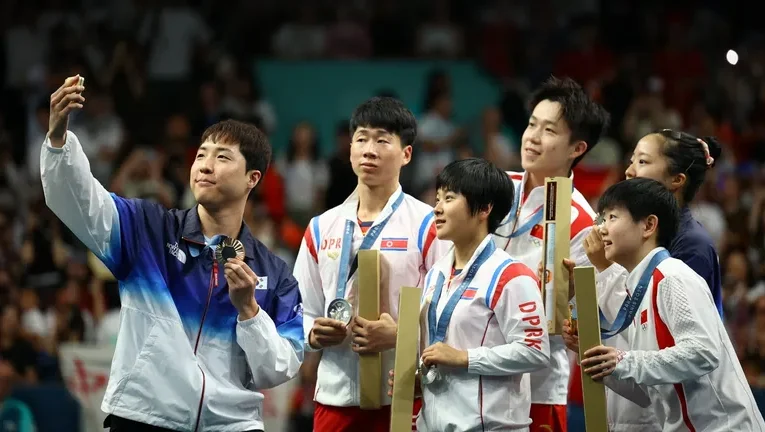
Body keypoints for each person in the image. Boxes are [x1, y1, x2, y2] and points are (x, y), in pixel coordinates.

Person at [41, 76, 303, 432]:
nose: (205, 165)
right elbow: (81, 202)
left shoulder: (275, 273)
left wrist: (250, 312)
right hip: (145, 417)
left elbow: (278, 369)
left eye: (222, 157)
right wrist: (59, 141)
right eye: (202, 155)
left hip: (231, 425)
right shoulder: (147, 229)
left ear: (252, 179)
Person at [293, 96, 450, 432]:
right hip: (335, 397)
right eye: (361, 138)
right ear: (349, 148)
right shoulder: (321, 227)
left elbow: (449, 309)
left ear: (406, 154)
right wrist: (313, 333)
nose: (369, 149)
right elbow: (297, 310)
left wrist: (402, 334)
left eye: (382, 139)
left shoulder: (429, 224)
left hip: (405, 393)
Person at [576, 177, 765, 431]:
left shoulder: (672, 276)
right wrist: (604, 364)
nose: (601, 229)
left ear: (648, 225)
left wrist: (624, 360)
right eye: (601, 219)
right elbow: (647, 394)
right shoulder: (639, 290)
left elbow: (702, 353)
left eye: (612, 217)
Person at [569, 129, 725, 431]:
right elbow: (641, 336)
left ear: (676, 180)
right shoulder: (642, 249)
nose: (628, 170)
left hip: (699, 415)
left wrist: (604, 267)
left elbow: (691, 351)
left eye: (641, 161)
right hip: (662, 404)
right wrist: (595, 343)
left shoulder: (686, 253)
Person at [389, 158, 550, 431]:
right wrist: (422, 378)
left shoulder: (511, 276)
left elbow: (535, 352)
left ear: (485, 208)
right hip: (432, 423)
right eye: (437, 198)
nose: (437, 209)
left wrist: (464, 358)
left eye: (449, 198)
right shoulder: (436, 274)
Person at [491, 76, 610, 432]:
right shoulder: (494, 191)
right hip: (472, 373)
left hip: (536, 387)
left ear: (577, 148)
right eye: (531, 125)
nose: (532, 137)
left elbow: (564, 321)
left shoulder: (583, 225)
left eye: (549, 130)